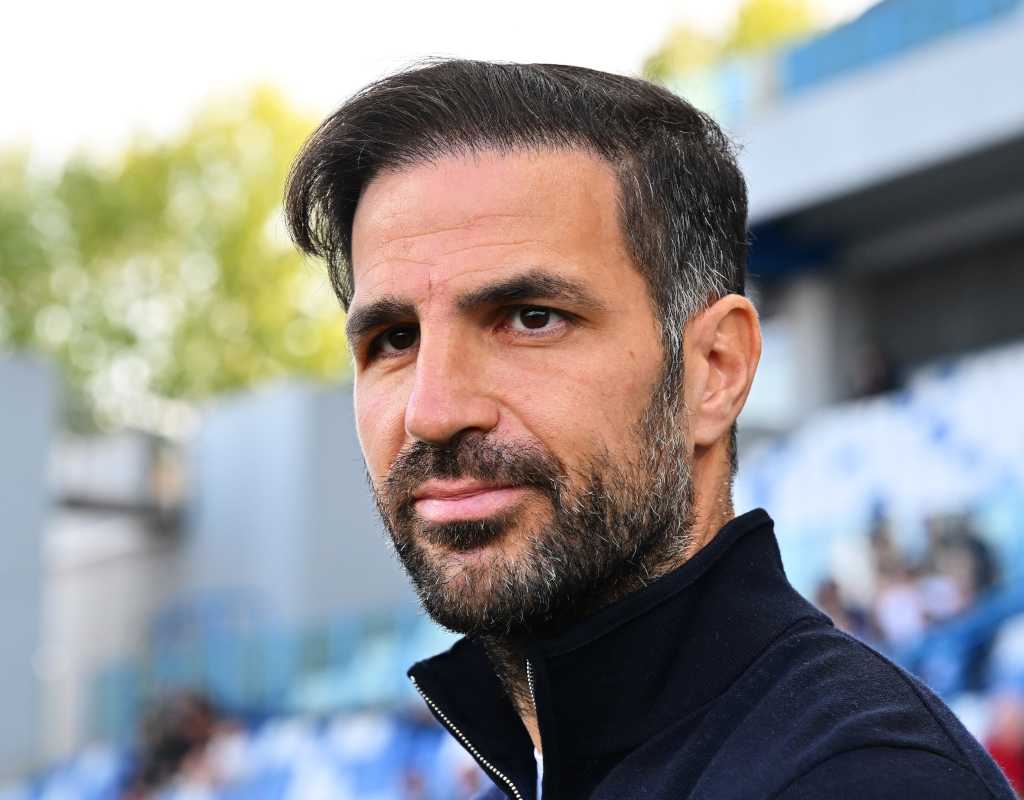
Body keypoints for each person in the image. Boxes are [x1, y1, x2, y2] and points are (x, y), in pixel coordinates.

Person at [284, 60, 1012, 800]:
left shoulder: (864, 781)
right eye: (394, 339)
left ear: (714, 370)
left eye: (532, 318)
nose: (431, 412)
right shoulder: (541, 766)